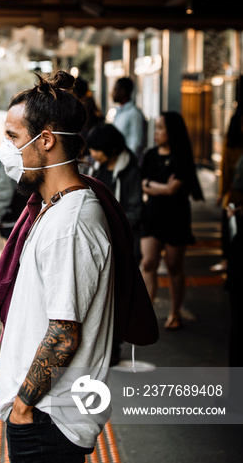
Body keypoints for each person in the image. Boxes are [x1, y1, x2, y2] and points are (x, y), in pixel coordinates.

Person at [0, 71, 114, 463]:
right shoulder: (55, 207)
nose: (6, 149)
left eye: (12, 136)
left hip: (46, 419)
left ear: (45, 141)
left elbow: (63, 333)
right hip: (45, 415)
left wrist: (23, 407)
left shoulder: (70, 226)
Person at [140, 111, 204, 331]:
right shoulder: (150, 155)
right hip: (152, 215)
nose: (156, 132)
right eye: (156, 127)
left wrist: (154, 186)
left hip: (176, 218)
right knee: (148, 263)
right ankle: (146, 314)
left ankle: (175, 313)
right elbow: (144, 183)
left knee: (174, 266)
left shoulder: (182, 158)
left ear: (172, 132)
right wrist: (163, 188)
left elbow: (173, 189)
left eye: (160, 128)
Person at [86, 123, 143, 262]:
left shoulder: (130, 172)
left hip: (122, 239)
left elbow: (135, 209)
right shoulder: (94, 168)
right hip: (97, 236)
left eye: (96, 149)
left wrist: (112, 225)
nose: (92, 153)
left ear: (111, 149)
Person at [216, 108, 243, 271]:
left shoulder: (230, 145)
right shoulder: (234, 147)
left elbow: (225, 171)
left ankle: (228, 260)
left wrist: (222, 194)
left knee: (231, 232)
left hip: (233, 196)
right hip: (235, 196)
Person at [112, 77, 145, 160]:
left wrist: (128, 163)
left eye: (115, 89)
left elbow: (136, 142)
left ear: (123, 91)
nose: (113, 93)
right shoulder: (119, 111)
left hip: (127, 164)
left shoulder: (134, 113)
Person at [0, 159, 27, 239]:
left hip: (11, 217)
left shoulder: (7, 154)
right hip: (26, 213)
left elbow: (5, 188)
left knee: (12, 249)